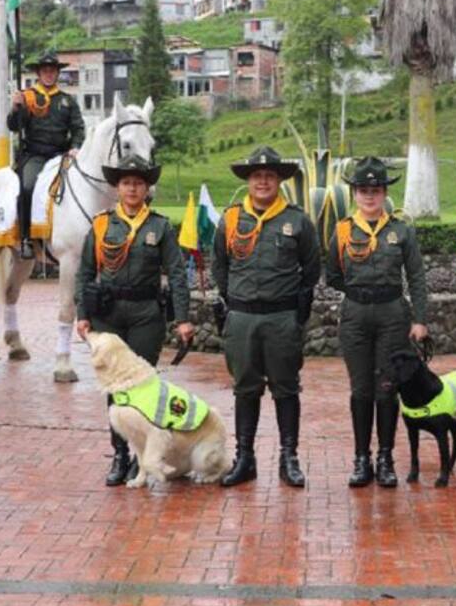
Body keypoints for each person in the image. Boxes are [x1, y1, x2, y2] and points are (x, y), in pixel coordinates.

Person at [74, 154, 196, 486]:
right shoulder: (102, 224)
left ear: (147, 188)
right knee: (115, 388)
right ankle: (119, 454)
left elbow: (177, 274)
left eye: (139, 183)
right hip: (108, 315)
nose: (132, 188)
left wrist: (182, 319)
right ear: (117, 187)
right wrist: (82, 314)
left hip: (145, 315)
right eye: (126, 183)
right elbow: (85, 272)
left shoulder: (160, 226)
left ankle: (142, 456)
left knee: (143, 387)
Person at [213, 146, 320, 488]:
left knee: (286, 388)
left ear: (279, 180)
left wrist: (292, 307)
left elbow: (311, 269)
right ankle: (245, 458)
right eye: (257, 176)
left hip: (281, 318)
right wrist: (236, 297)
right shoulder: (231, 219)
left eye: (269, 176)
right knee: (245, 388)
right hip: (242, 318)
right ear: (248, 180)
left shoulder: (297, 221)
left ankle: (289, 458)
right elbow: (219, 266)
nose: (263, 182)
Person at [325, 157, 428, 488]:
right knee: (361, 389)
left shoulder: (401, 231)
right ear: (355, 193)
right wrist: (359, 292)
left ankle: (385, 457)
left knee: (387, 388)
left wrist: (420, 319)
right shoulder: (343, 230)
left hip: (392, 315)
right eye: (363, 190)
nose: (370, 196)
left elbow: (416, 277)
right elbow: (332, 274)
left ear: (385, 193)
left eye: (376, 190)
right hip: (355, 315)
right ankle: (361, 458)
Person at [7, 53, 85, 260]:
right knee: (27, 187)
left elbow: (78, 128)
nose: (49, 74)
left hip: (61, 154)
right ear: (39, 74)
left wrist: (76, 146)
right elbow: (14, 126)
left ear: (57, 73)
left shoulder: (68, 100)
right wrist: (16, 107)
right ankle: (26, 237)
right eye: (45, 71)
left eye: (52, 71)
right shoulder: (27, 97)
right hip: (35, 154)